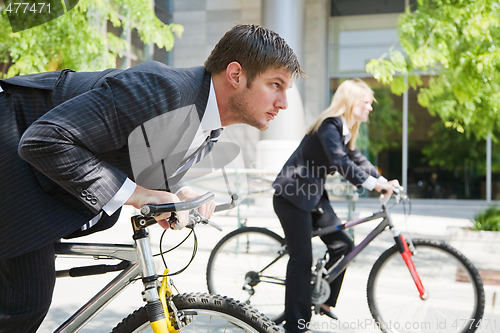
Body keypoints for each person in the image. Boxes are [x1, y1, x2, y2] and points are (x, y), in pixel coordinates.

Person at [0, 24, 304, 332]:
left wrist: (180, 192)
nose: (284, 103)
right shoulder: (163, 90)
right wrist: (139, 195)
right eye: (275, 85)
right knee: (27, 302)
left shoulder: (209, 126)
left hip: (39, 183)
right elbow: (45, 139)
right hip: (11, 154)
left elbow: (147, 164)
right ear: (236, 75)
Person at [272, 79, 399, 333]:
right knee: (302, 259)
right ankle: (295, 326)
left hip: (313, 196)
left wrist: (384, 181)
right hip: (292, 194)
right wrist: (373, 186)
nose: (370, 108)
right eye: (366, 102)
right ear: (352, 102)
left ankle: (322, 299)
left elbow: (356, 158)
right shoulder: (330, 125)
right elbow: (340, 162)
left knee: (343, 245)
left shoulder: (346, 129)